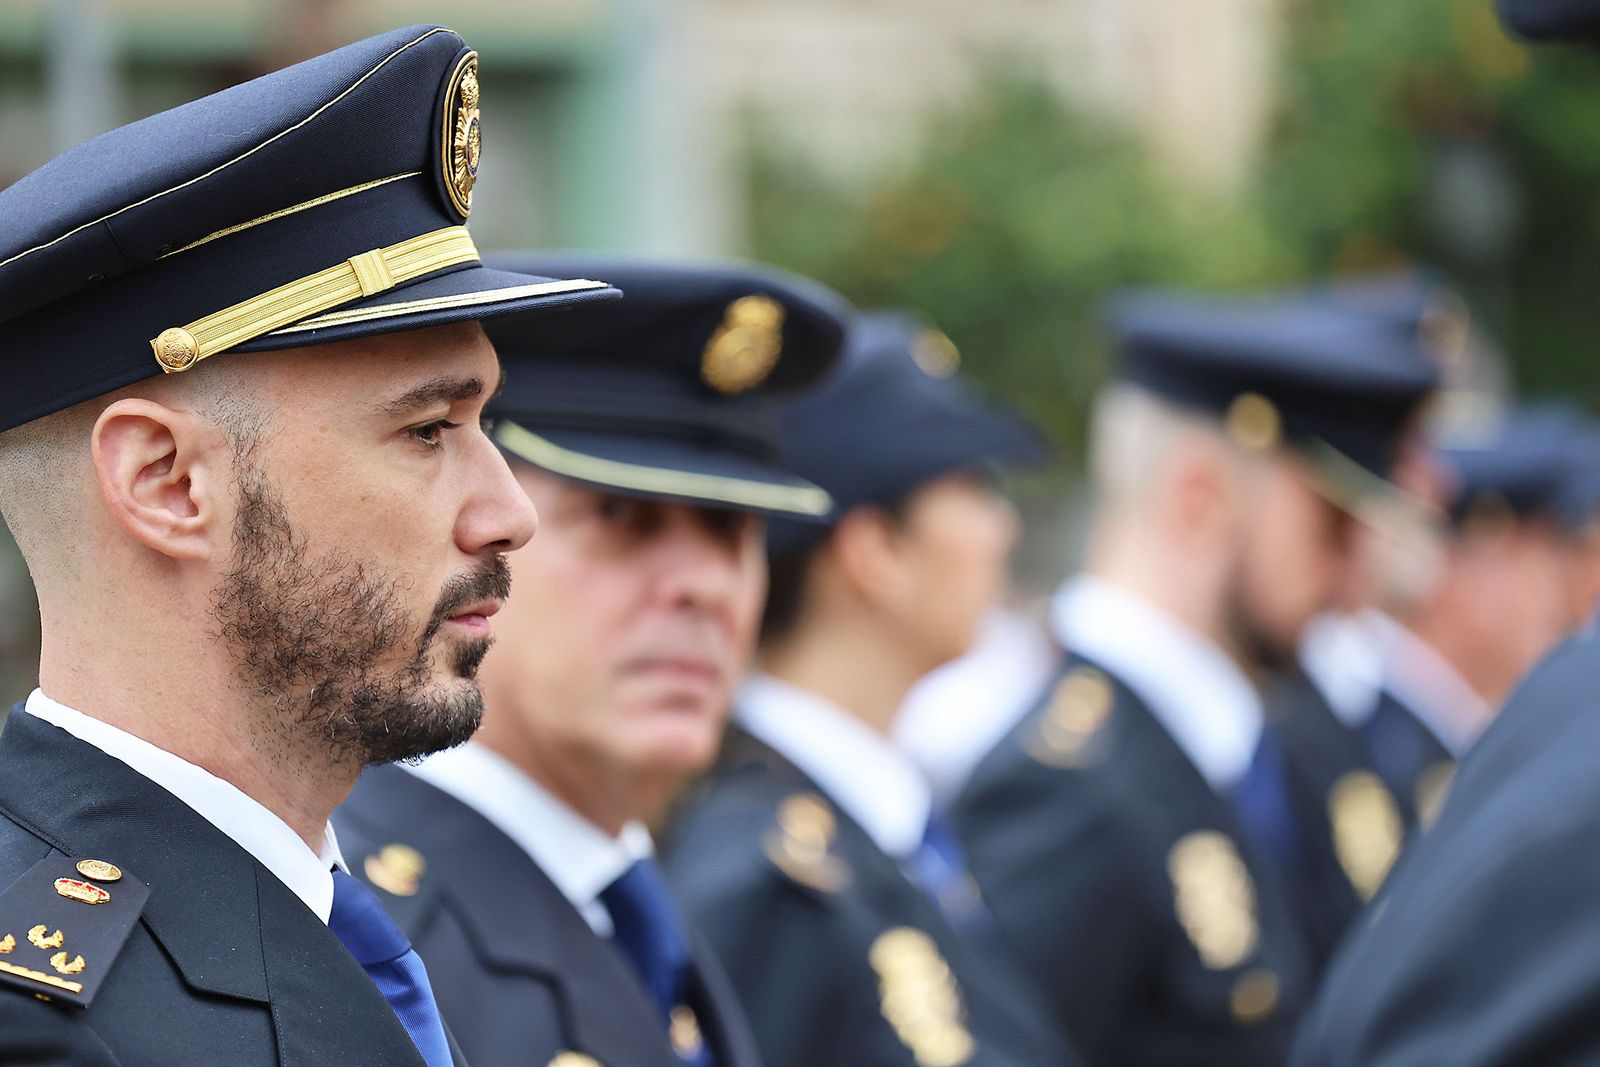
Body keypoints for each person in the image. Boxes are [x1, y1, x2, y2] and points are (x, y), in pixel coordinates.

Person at [0, 25, 621, 1065]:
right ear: (166, 482)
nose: (509, 512)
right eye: (428, 429)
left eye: (485, 427)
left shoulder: (342, 916)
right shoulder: (44, 1026)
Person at [334, 256, 847, 1067]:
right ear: (482, 525)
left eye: (731, 530)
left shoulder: (631, 903)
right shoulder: (370, 936)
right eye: (620, 515)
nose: (704, 586)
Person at [952, 289, 1437, 1066]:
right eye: (1332, 522)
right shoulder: (1070, 795)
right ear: (1201, 494)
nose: (1354, 577)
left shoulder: (1269, 753)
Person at [664, 310, 1077, 1067]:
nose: (1003, 529)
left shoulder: (885, 835)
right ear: (875, 550)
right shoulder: (766, 884)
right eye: (975, 488)